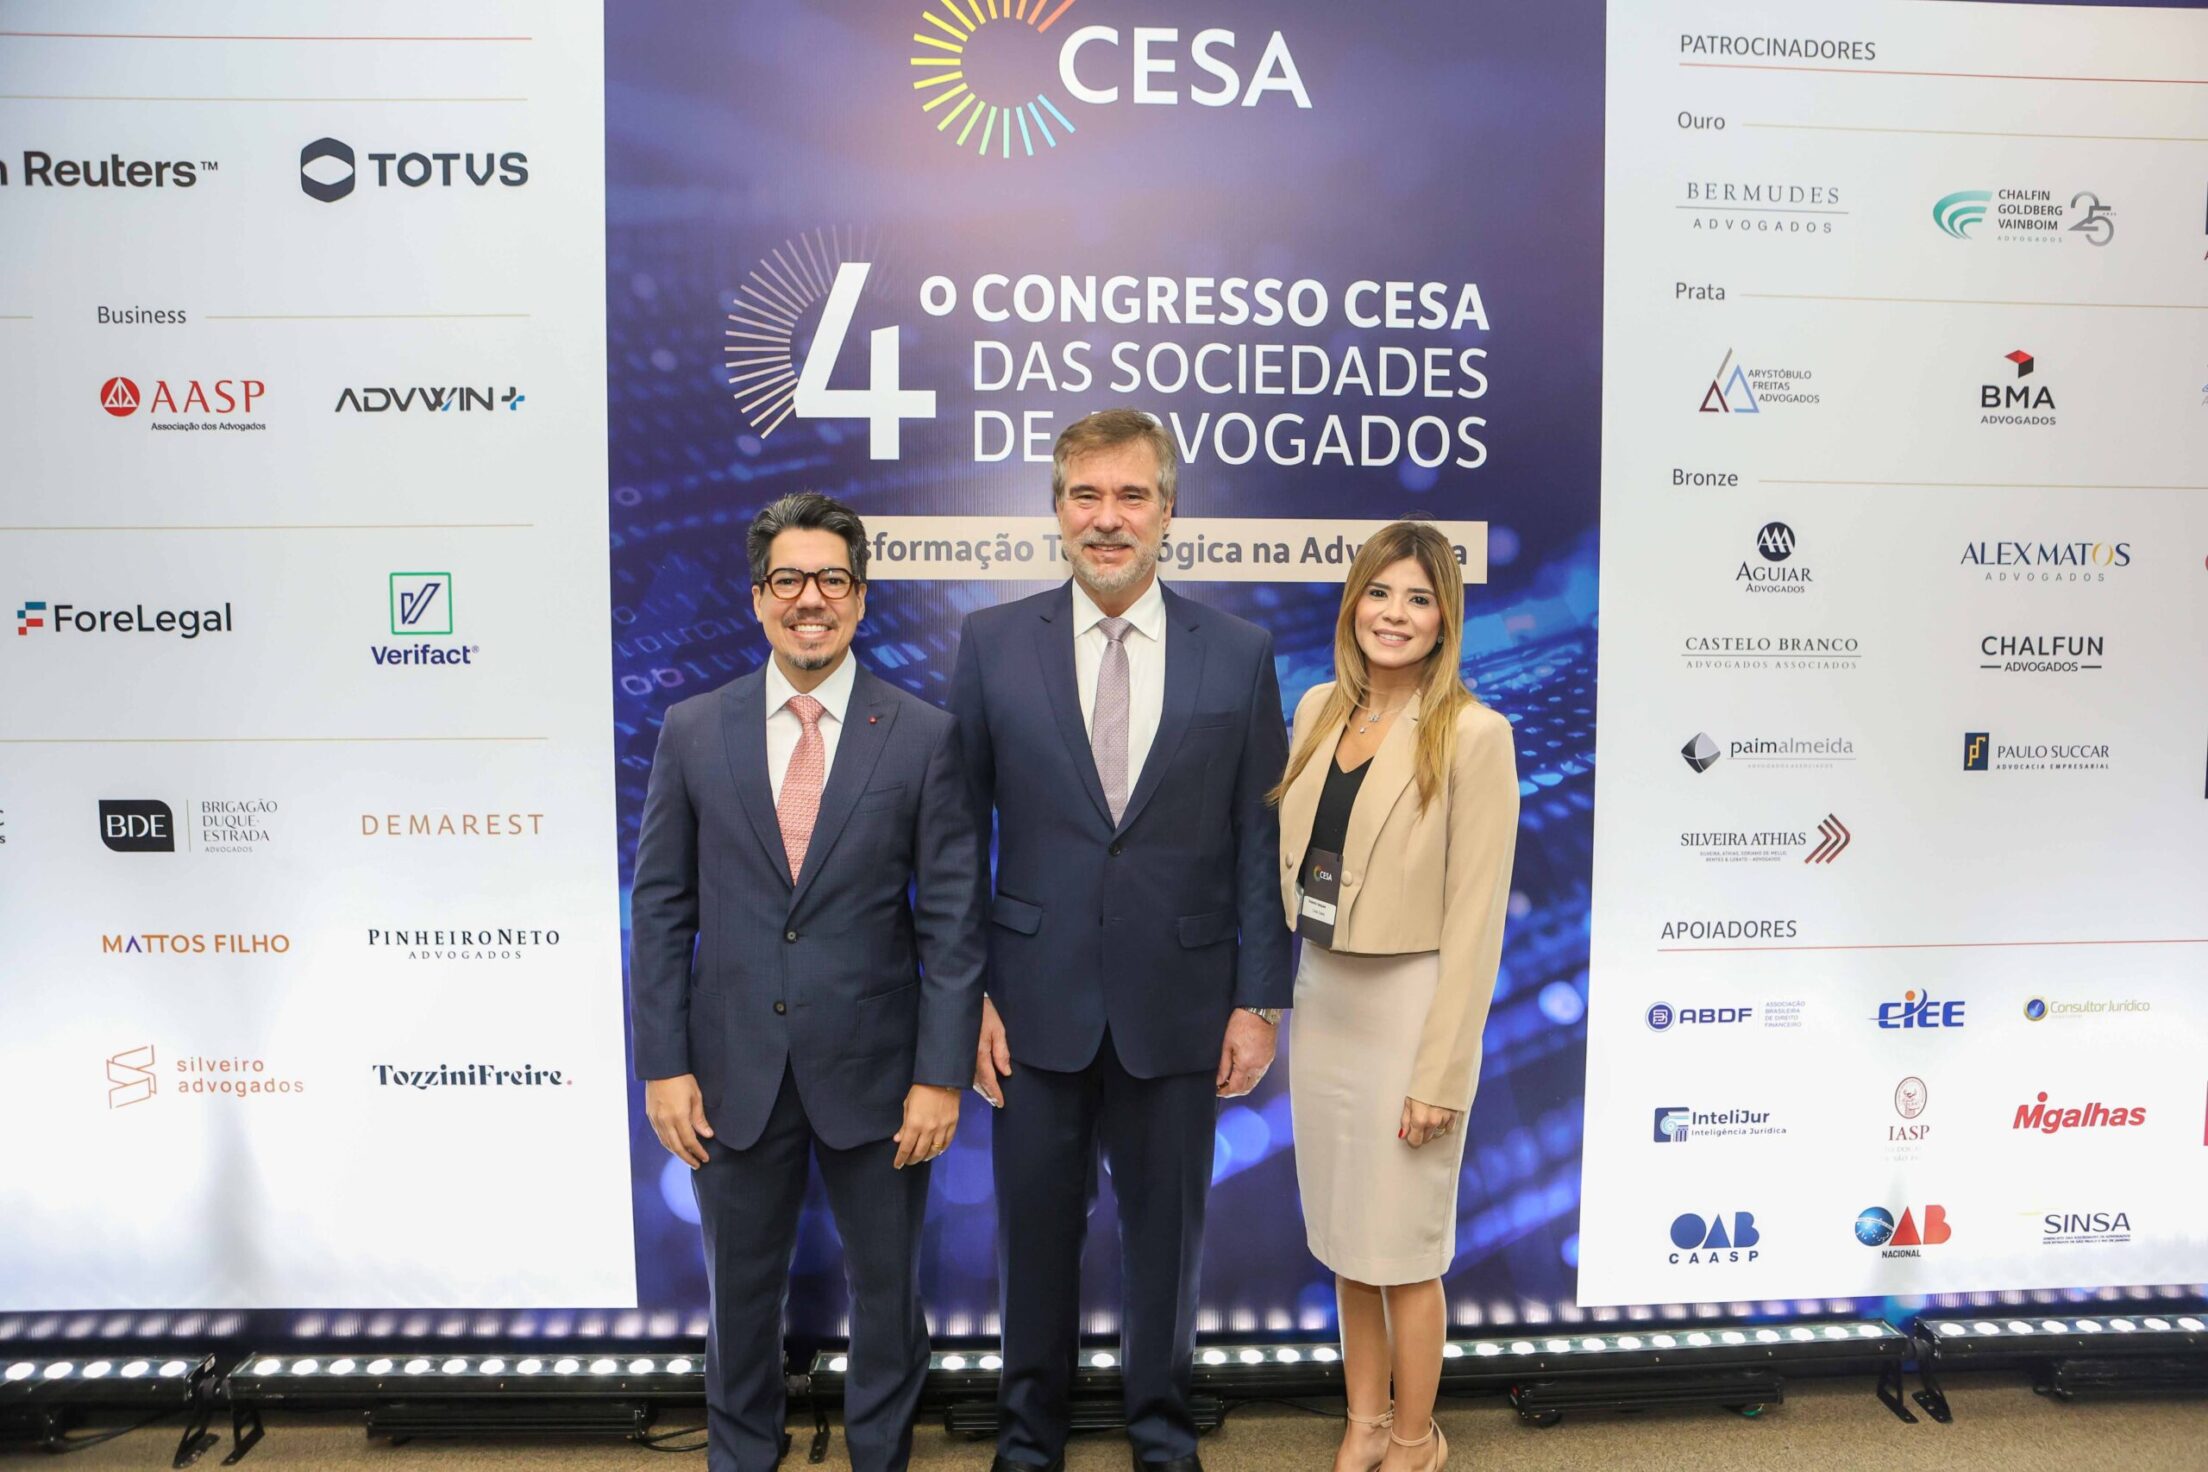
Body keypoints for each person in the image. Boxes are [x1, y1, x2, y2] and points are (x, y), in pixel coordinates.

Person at [950, 409, 1292, 1472]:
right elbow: (956, 838)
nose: (1109, 518)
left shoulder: (1236, 653)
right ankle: (1026, 1439)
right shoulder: (990, 644)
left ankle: (1162, 1434)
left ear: (1168, 510)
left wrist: (1258, 997)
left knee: (1167, 1245)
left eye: (1131, 495)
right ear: (1056, 510)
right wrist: (968, 997)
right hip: (1030, 1004)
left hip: (1181, 1004)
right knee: (1033, 1242)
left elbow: (1259, 838)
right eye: (1086, 495)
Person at [630, 491, 986, 1472]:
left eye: (832, 578)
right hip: (729, 1067)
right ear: (758, 598)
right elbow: (660, 909)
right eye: (788, 579)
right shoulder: (692, 729)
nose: (810, 599)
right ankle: (743, 1452)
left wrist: (940, 1073)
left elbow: (952, 921)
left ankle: (880, 1452)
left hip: (881, 1072)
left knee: (888, 1289)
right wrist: (663, 1064)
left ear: (861, 597)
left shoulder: (922, 734)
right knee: (739, 1292)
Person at [1270, 520, 1519, 1472]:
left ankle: (1417, 1438)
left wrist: (1441, 1074)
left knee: (1406, 1249)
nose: (1395, 614)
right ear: (1353, 604)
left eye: (1419, 599)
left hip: (1412, 1006)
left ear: (1445, 619)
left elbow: (1477, 922)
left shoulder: (1474, 735)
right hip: (1325, 995)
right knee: (1347, 1237)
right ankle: (1365, 1421)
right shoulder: (1317, 709)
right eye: (1380, 593)